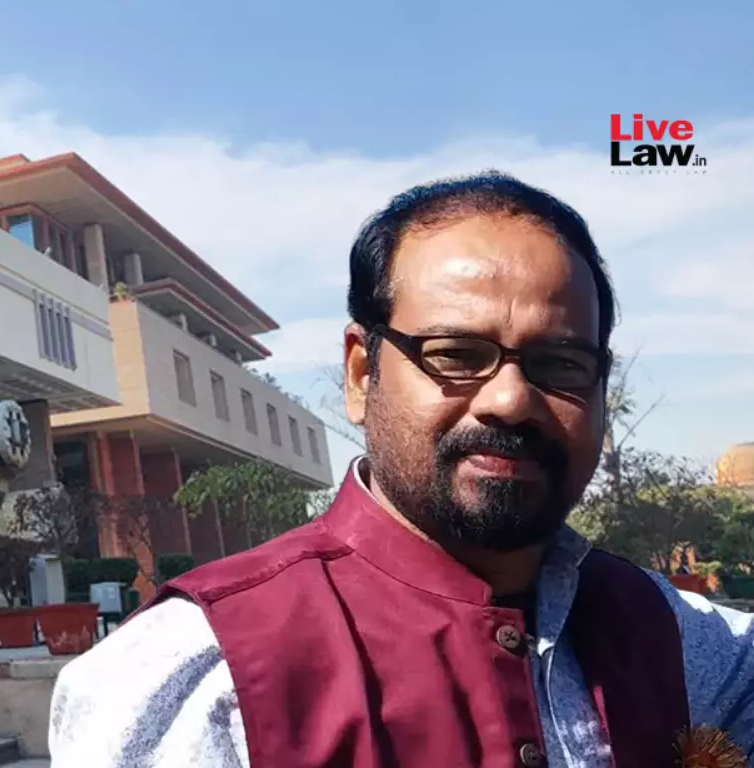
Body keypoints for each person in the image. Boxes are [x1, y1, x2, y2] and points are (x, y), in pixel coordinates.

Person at [49, 172, 754, 767]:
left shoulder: (692, 646)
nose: (510, 400)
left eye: (561, 364)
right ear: (362, 374)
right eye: (456, 355)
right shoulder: (204, 676)